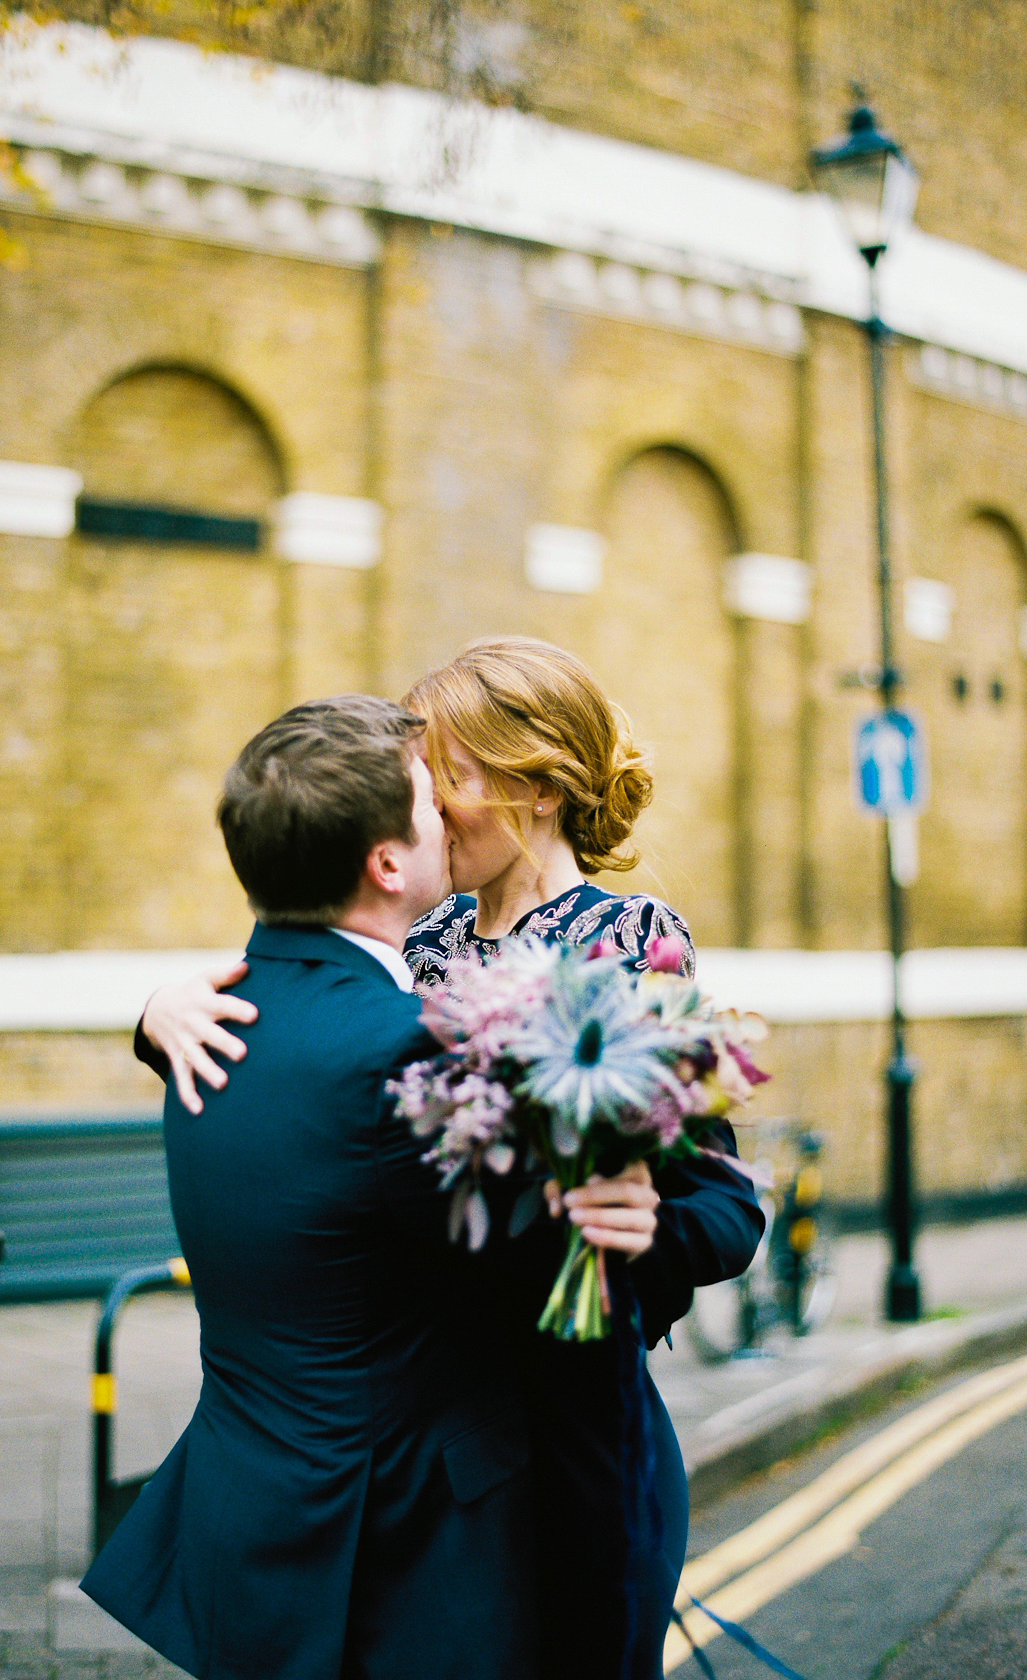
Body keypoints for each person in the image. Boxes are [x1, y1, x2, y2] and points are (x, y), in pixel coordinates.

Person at [137, 639, 766, 1680]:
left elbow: (716, 1194)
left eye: (446, 775)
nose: (423, 800)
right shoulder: (416, 938)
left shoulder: (630, 942)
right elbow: (304, 1045)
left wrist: (647, 1231)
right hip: (446, 1442)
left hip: (572, 1425)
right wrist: (158, 1015)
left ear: (536, 783)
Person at [83, 697, 543, 1680]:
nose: (451, 816)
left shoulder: (207, 1015)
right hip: (385, 1546)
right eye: (428, 800)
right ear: (385, 864)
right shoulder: (402, 1047)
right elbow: (526, 1263)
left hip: (247, 1517)